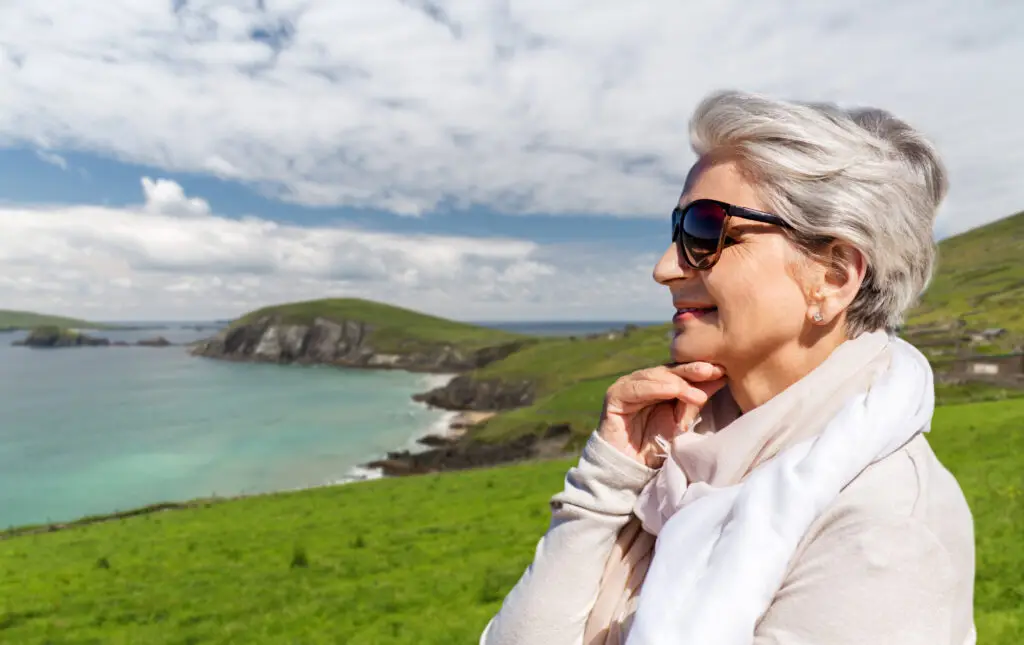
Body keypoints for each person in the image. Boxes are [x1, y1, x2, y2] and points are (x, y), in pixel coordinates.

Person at [479, 90, 976, 645]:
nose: (665, 268)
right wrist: (608, 478)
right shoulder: (677, 457)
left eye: (706, 231)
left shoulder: (884, 532)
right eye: (678, 232)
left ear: (833, 276)